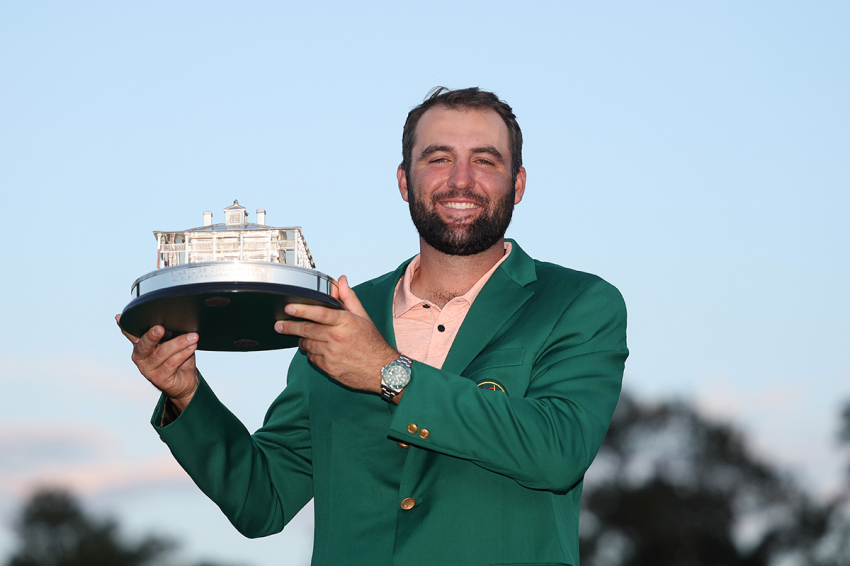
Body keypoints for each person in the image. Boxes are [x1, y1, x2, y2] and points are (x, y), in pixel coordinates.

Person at [119, 87, 628, 566]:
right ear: (405, 180)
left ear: (517, 185)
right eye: (438, 158)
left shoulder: (577, 303)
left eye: (485, 160)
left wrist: (388, 372)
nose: (461, 179)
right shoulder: (337, 315)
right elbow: (262, 501)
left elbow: (558, 451)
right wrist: (188, 396)